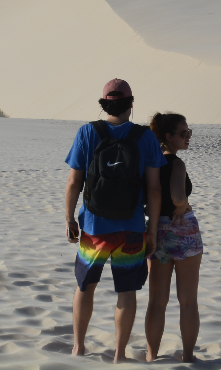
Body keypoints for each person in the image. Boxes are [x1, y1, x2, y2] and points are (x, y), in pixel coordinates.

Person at [64, 78, 164, 364]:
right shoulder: (145, 138)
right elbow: (155, 190)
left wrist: (70, 218)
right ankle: (119, 355)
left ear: (104, 103)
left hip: (94, 229)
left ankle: (79, 347)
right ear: (131, 104)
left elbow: (74, 182)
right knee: (126, 291)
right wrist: (152, 230)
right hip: (131, 229)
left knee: (85, 287)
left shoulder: (87, 132)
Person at [144, 113, 203, 363]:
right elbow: (178, 197)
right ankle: (188, 357)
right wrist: (184, 203)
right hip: (183, 232)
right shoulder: (176, 163)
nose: (188, 137)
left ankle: (151, 355)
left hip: (157, 231)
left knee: (157, 301)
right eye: (184, 133)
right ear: (168, 137)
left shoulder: (151, 163)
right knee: (187, 300)